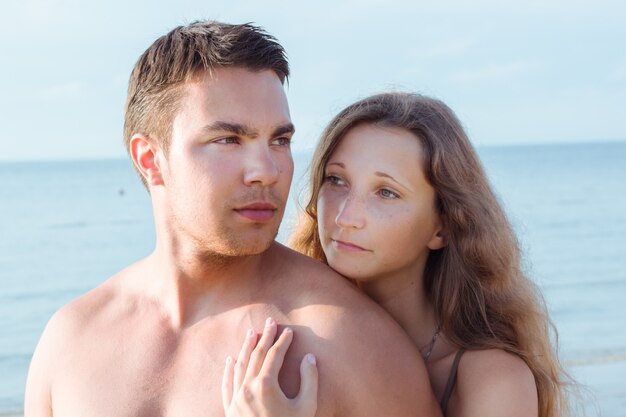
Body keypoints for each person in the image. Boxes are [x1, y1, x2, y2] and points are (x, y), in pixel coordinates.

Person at [24, 23, 442, 416]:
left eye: (280, 140)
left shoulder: (350, 343)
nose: (266, 169)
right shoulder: (71, 339)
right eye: (228, 139)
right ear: (151, 159)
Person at [223, 92, 574, 417]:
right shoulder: (291, 340)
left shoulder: (493, 378)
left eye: (386, 193)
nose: (345, 217)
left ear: (443, 227)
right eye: (336, 180)